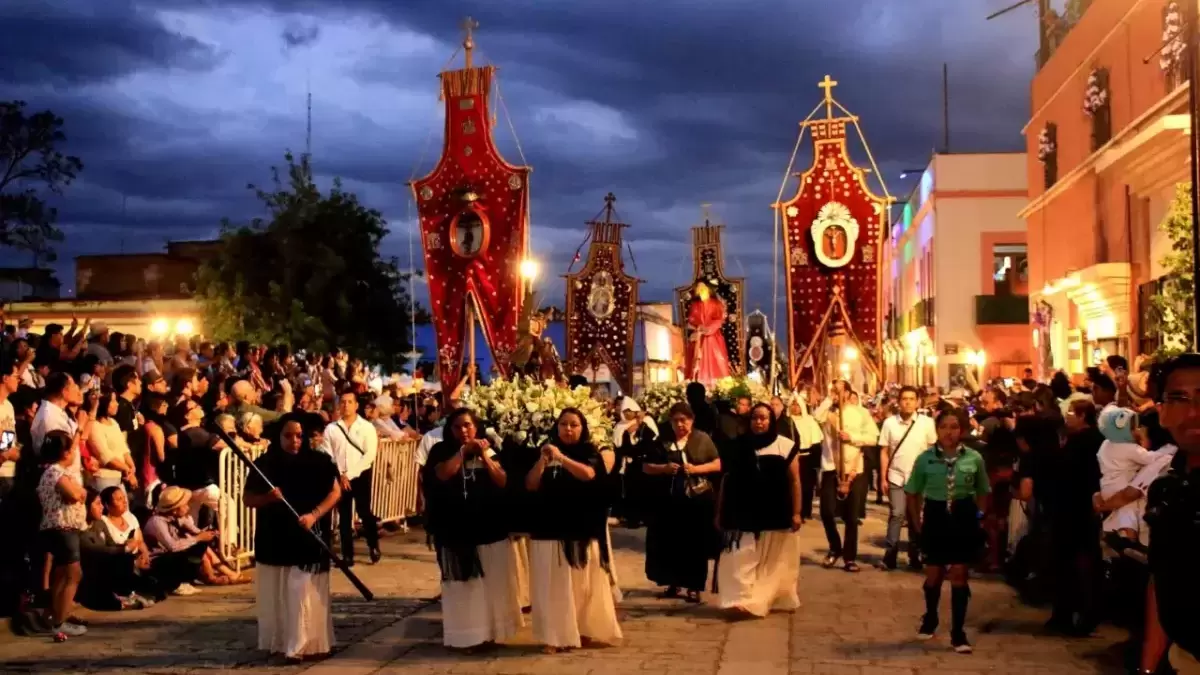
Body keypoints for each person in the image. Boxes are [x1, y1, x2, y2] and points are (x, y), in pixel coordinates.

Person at [243, 414, 342, 663]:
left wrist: (314, 515)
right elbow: (248, 499)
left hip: (310, 537)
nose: (294, 441)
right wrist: (268, 498)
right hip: (275, 536)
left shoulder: (320, 461)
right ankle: (284, 643)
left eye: (299, 435)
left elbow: (335, 492)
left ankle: (309, 643)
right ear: (279, 436)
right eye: (288, 436)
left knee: (303, 591)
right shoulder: (265, 464)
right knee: (278, 593)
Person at [424, 408, 522, 650]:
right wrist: (462, 452)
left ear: (476, 427)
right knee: (465, 586)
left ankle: (492, 633)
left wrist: (484, 457)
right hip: (456, 531)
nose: (463, 430)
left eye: (467, 425)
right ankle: (468, 637)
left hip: (489, 527)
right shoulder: (441, 450)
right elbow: (443, 475)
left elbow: (503, 480)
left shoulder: (490, 449)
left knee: (492, 583)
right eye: (457, 427)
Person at [525, 408, 621, 653]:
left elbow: (588, 474)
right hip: (549, 529)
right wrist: (543, 461)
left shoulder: (589, 452)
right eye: (563, 424)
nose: (568, 429)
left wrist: (562, 458)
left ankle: (583, 629)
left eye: (573, 425)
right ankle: (555, 636)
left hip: (581, 529)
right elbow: (531, 485)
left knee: (582, 586)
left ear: (582, 428)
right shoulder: (545, 452)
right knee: (554, 587)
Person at [905, 407, 991, 654]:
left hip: (963, 516)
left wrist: (979, 516)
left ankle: (958, 632)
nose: (949, 432)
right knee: (934, 574)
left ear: (961, 430)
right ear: (937, 430)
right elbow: (912, 492)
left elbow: (983, 490)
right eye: (944, 427)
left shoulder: (973, 458)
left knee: (959, 574)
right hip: (936, 514)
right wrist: (917, 522)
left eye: (954, 427)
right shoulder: (925, 459)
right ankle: (931, 616)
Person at [1138, 353, 1200, 673]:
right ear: (1161, 412)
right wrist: (1148, 667)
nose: (1193, 412)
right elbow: (1161, 578)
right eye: (1179, 399)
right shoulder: (1167, 488)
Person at [714, 403, 802, 618]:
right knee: (739, 557)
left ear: (771, 421)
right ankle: (739, 598)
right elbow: (726, 479)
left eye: (763, 418)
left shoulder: (785, 445)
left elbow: (795, 480)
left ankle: (759, 599)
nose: (759, 422)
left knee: (770, 562)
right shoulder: (737, 446)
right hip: (741, 510)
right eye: (754, 418)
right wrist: (719, 511)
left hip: (775, 511)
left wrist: (797, 512)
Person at [643, 402, 721, 603]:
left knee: (694, 543)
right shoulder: (662, 440)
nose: (679, 424)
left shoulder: (702, 439)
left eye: (683, 420)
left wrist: (695, 469)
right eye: (675, 420)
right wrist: (664, 468)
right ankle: (672, 582)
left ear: (691, 420)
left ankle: (694, 585)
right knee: (670, 543)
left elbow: (717, 464)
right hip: (668, 501)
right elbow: (646, 467)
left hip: (696, 501)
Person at [814, 383, 879, 572]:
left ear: (849, 393)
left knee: (851, 516)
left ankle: (850, 557)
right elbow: (816, 417)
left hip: (854, 469)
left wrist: (852, 437)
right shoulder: (827, 412)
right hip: (831, 467)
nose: (836, 393)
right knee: (826, 512)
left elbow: (873, 437)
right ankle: (835, 548)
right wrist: (829, 398)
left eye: (839, 390)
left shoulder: (861, 413)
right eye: (833, 390)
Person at [878, 386, 937, 571]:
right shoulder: (889, 423)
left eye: (912, 399)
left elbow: (932, 449)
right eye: (904, 399)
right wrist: (883, 477)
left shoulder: (927, 423)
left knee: (914, 517)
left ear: (918, 402)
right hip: (896, 475)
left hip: (918, 478)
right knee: (897, 513)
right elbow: (884, 451)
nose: (908, 402)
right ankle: (890, 553)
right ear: (898, 402)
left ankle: (914, 554)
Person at [36, 430, 88, 636]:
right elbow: (74, 494)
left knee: (62, 574)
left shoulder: (53, 471)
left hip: (60, 529)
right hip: (63, 528)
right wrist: (80, 492)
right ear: (65, 453)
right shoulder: (56, 472)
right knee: (73, 574)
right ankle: (60, 621)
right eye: (71, 450)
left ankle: (56, 615)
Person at [324, 390, 381, 565]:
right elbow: (328, 454)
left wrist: (350, 474)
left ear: (356, 405)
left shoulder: (367, 427)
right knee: (344, 515)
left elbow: (369, 454)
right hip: (340, 475)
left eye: (350, 402)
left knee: (364, 512)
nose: (346, 405)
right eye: (343, 402)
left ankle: (373, 544)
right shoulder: (332, 429)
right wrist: (340, 474)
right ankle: (347, 555)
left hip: (360, 474)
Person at [684, 282, 731, 387]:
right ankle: (697, 381)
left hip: (712, 335)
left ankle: (715, 382)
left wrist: (709, 328)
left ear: (708, 289)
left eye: (703, 287)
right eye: (698, 287)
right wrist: (698, 327)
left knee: (713, 357)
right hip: (699, 336)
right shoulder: (695, 305)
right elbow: (691, 320)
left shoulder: (716, 304)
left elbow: (719, 320)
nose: (700, 289)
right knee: (697, 359)